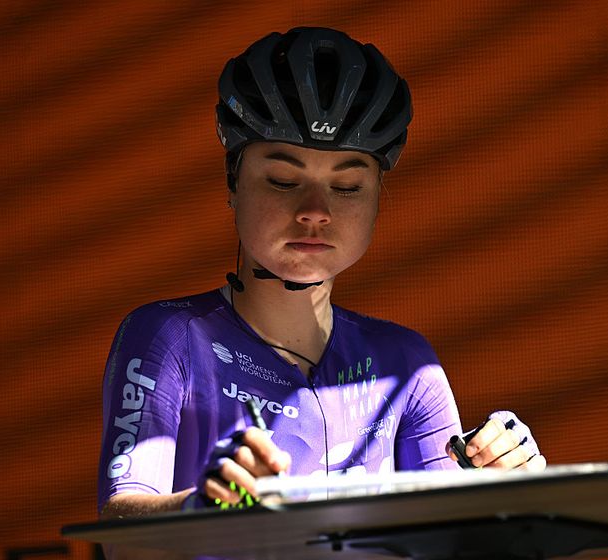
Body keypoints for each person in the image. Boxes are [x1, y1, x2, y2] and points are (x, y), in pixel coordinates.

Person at [98, 26, 546, 520]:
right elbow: (121, 527)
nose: (315, 210)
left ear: (379, 198)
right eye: (284, 180)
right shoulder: (171, 336)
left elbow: (449, 541)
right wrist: (205, 510)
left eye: (348, 186)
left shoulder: (409, 366)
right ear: (233, 185)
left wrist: (502, 492)